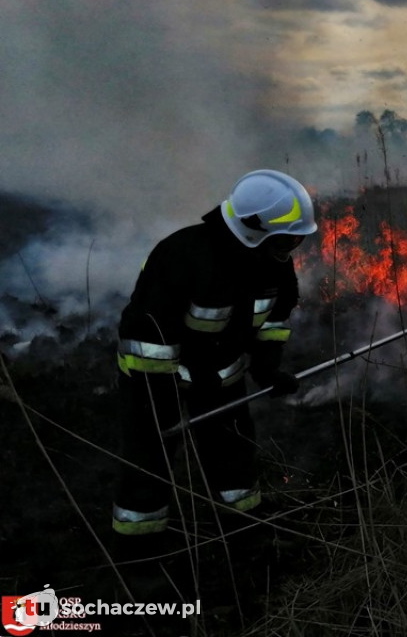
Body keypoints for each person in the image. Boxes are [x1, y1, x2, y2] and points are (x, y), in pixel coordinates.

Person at [112, 170, 317, 543]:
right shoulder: (182, 255)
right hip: (152, 379)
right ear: (255, 229)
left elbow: (274, 317)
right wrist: (163, 392)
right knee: (149, 463)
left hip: (223, 377)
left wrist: (267, 367)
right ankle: (139, 548)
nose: (295, 246)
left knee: (234, 453)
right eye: (289, 237)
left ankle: (245, 530)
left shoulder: (273, 262)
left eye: (298, 239)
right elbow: (147, 336)